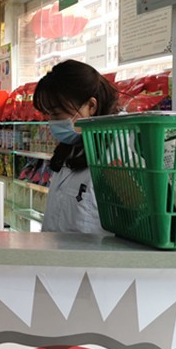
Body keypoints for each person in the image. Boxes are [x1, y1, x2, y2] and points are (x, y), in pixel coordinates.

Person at [33, 60, 119, 234]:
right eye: (48, 115)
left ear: (91, 106)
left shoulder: (119, 153)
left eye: (57, 114)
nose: (52, 122)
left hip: (94, 252)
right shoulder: (72, 147)